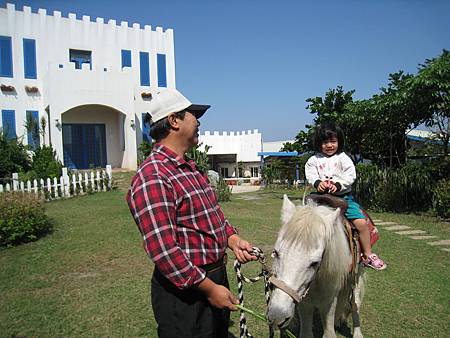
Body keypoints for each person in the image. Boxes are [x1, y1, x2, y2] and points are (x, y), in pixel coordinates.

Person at [126, 88, 257, 338]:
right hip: (185, 293)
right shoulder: (153, 177)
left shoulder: (189, 169)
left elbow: (212, 216)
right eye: (193, 115)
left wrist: (231, 239)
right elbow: (164, 250)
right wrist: (208, 289)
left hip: (212, 279)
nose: (198, 122)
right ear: (174, 120)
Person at [305, 121, 387, 271]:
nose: (329, 145)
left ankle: (368, 254)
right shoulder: (313, 160)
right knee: (302, 220)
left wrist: (338, 185)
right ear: (319, 143)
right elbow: (310, 174)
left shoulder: (344, 158)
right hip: (320, 198)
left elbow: (350, 175)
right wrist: (317, 183)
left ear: (339, 142)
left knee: (361, 223)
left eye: (333, 141)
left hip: (343, 199)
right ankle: (294, 249)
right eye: (325, 142)